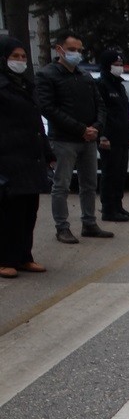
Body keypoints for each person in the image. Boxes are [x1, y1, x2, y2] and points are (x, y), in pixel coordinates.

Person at [36, 29, 112, 243]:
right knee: (61, 185)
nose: (76, 54)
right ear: (59, 49)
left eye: (79, 50)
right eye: (71, 49)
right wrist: (80, 129)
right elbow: (48, 108)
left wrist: (96, 127)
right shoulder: (47, 75)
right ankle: (62, 227)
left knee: (89, 184)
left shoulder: (85, 75)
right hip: (63, 140)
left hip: (88, 140)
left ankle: (89, 223)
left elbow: (101, 105)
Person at [0, 36, 54, 279]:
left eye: (23, 57)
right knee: (7, 214)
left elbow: (36, 124)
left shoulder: (25, 85)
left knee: (28, 211)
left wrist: (47, 152)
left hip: (30, 159)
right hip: (8, 159)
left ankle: (24, 256)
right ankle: (4, 260)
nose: (20, 61)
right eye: (15, 57)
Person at [95, 48, 129, 221]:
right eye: (115, 64)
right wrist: (102, 135)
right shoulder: (101, 85)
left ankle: (118, 206)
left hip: (122, 137)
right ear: (107, 65)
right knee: (110, 174)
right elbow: (100, 112)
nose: (119, 67)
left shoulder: (119, 85)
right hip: (109, 138)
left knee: (120, 173)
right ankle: (108, 210)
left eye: (121, 64)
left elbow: (123, 112)